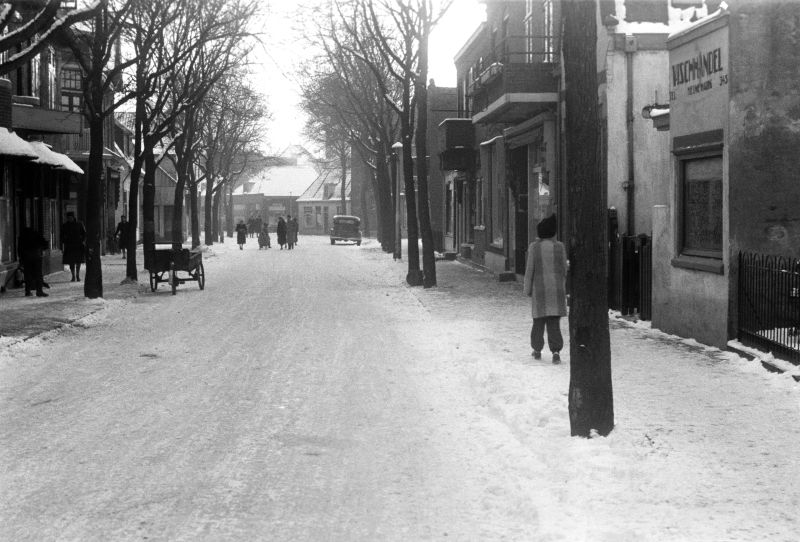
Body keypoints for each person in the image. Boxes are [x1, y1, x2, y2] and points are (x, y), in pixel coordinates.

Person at [523, 214, 567, 364]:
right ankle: (556, 351)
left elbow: (529, 270)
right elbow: (564, 269)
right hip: (556, 290)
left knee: (538, 322)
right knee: (554, 323)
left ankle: (537, 349)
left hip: (539, 290)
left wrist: (527, 289)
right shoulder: (559, 247)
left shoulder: (534, 248)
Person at [18, 226, 49, 297]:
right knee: (38, 274)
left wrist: (21, 258)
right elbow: (45, 244)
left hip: (26, 257)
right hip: (36, 256)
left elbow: (19, 249)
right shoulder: (36, 234)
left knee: (27, 274)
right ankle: (39, 291)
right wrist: (41, 248)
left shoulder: (22, 237)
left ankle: (27, 291)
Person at [61, 211, 86, 282]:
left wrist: (82, 240)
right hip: (70, 246)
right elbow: (62, 235)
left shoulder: (79, 224)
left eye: (71, 217)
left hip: (78, 245)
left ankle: (77, 275)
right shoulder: (65, 225)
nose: (70, 219)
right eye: (68, 218)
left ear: (73, 217)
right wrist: (65, 241)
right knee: (71, 262)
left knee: (78, 261)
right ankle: (73, 276)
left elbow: (84, 233)